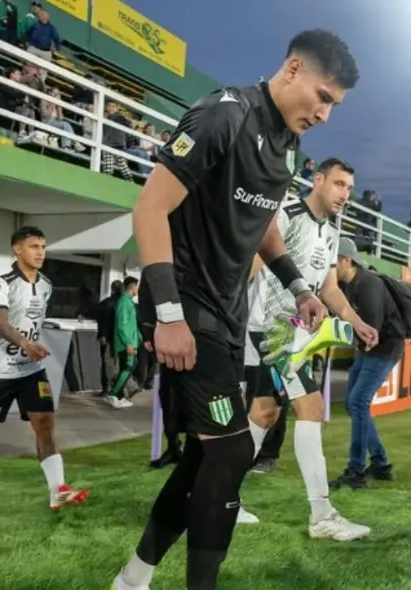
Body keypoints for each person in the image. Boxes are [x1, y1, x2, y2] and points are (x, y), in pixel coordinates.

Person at [111, 29, 358, 590]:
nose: (324, 113)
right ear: (293, 69)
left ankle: (133, 577)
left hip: (223, 313)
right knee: (232, 453)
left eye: (334, 107)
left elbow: (265, 228)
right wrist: (169, 314)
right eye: (322, 96)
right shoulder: (224, 116)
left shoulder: (287, 146)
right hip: (182, 304)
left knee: (208, 457)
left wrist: (300, 287)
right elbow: (149, 208)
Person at [241, 158, 378, 539]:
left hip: (297, 332)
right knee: (312, 406)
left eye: (349, 188)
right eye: (338, 184)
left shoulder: (331, 231)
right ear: (317, 180)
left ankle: (221, 496)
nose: (344, 194)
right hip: (273, 329)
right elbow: (250, 265)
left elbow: (330, 289)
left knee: (263, 413)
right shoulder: (286, 214)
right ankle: (321, 515)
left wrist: (358, 322)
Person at [0, 226, 89, 512]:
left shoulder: (46, 284)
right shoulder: (0, 281)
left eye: (44, 247)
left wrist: (31, 348)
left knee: (45, 424)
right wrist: (25, 343)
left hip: (31, 370)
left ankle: (57, 489)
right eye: (34, 246)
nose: (40, 252)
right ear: (17, 249)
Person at [329, 238, 405, 489]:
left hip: (383, 348)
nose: (331, 266)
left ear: (346, 260)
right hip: (368, 348)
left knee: (358, 402)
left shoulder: (369, 283)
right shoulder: (346, 285)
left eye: (334, 260)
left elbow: (372, 327)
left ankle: (356, 470)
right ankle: (381, 464)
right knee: (354, 405)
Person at [106, 276, 141, 409]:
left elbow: (131, 325)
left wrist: (139, 338)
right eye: (137, 286)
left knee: (128, 367)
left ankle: (119, 397)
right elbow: (122, 325)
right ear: (132, 287)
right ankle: (113, 394)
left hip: (130, 342)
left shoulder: (128, 302)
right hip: (125, 343)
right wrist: (129, 343)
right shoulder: (124, 302)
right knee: (129, 367)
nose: (138, 289)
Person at [93, 280, 124, 394]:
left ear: (112, 290)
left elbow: (98, 316)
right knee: (120, 364)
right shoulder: (124, 303)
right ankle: (117, 388)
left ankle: (106, 388)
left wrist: (103, 335)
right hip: (121, 339)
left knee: (106, 363)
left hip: (107, 339)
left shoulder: (107, 303)